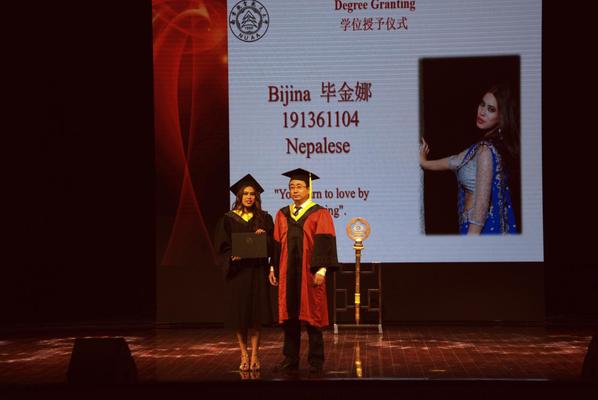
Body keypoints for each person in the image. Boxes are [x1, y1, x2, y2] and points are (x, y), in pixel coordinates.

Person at [419, 83, 519, 234]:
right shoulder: (481, 148)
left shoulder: (485, 151)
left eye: (491, 109)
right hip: (472, 229)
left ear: (502, 117)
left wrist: (471, 241)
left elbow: (481, 208)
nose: (482, 112)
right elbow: (455, 160)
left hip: (478, 231)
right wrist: (424, 162)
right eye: (482, 104)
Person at [269, 168, 338, 376]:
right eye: (291, 187)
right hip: (287, 272)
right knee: (290, 318)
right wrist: (273, 267)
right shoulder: (282, 214)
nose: (295, 190)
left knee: (313, 318)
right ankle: (290, 359)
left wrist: (322, 270)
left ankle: (316, 361)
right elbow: (276, 244)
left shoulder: (320, 213)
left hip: (310, 273)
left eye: (299, 187)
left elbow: (325, 242)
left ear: (308, 189)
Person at [214, 174, 274, 372]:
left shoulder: (264, 218)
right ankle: (243, 354)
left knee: (256, 315)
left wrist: (264, 238)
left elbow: (273, 246)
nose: (249, 197)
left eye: (252, 194)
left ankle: (255, 354)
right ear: (239, 196)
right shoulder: (228, 219)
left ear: (256, 197)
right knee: (240, 316)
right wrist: (232, 255)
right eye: (245, 194)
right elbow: (222, 247)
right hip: (238, 273)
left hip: (257, 270)